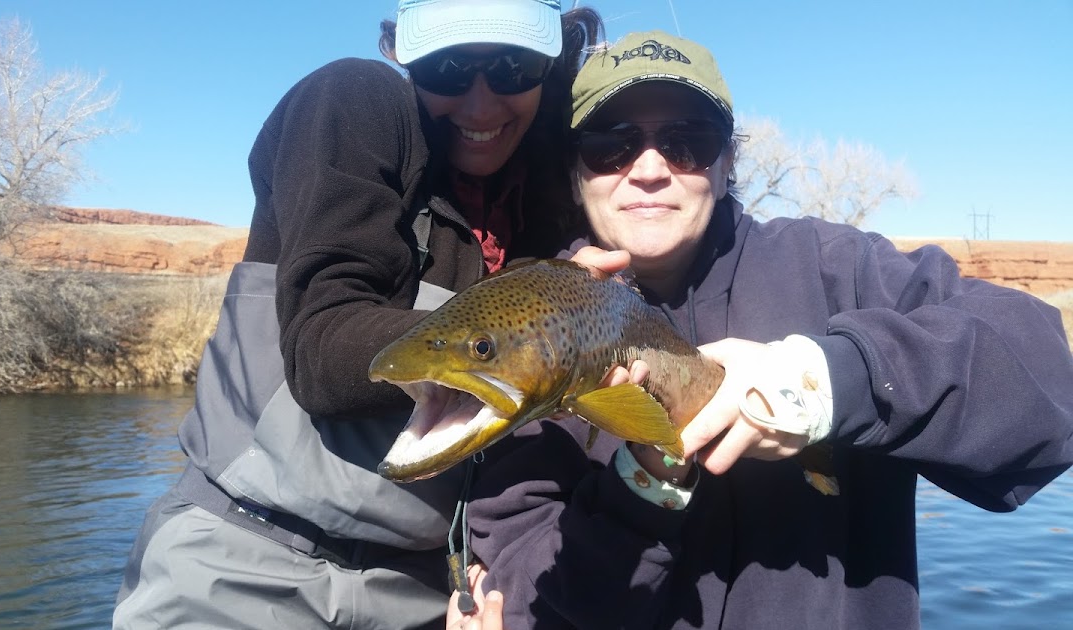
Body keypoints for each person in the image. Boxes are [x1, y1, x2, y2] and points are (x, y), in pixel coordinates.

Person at [454, 30, 1073, 630]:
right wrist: (645, 483)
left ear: (729, 160)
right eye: (610, 144)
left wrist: (821, 385)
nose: (647, 168)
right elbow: (532, 597)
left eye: (687, 140)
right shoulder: (527, 321)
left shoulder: (838, 269)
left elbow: (1049, 386)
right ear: (574, 170)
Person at [112, 2, 607, 628]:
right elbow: (322, 354)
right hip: (243, 566)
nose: (481, 105)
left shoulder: (559, 185)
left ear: (550, 63)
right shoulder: (355, 103)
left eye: (514, 68)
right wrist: (530, 336)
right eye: (449, 67)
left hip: (431, 591)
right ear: (405, 56)